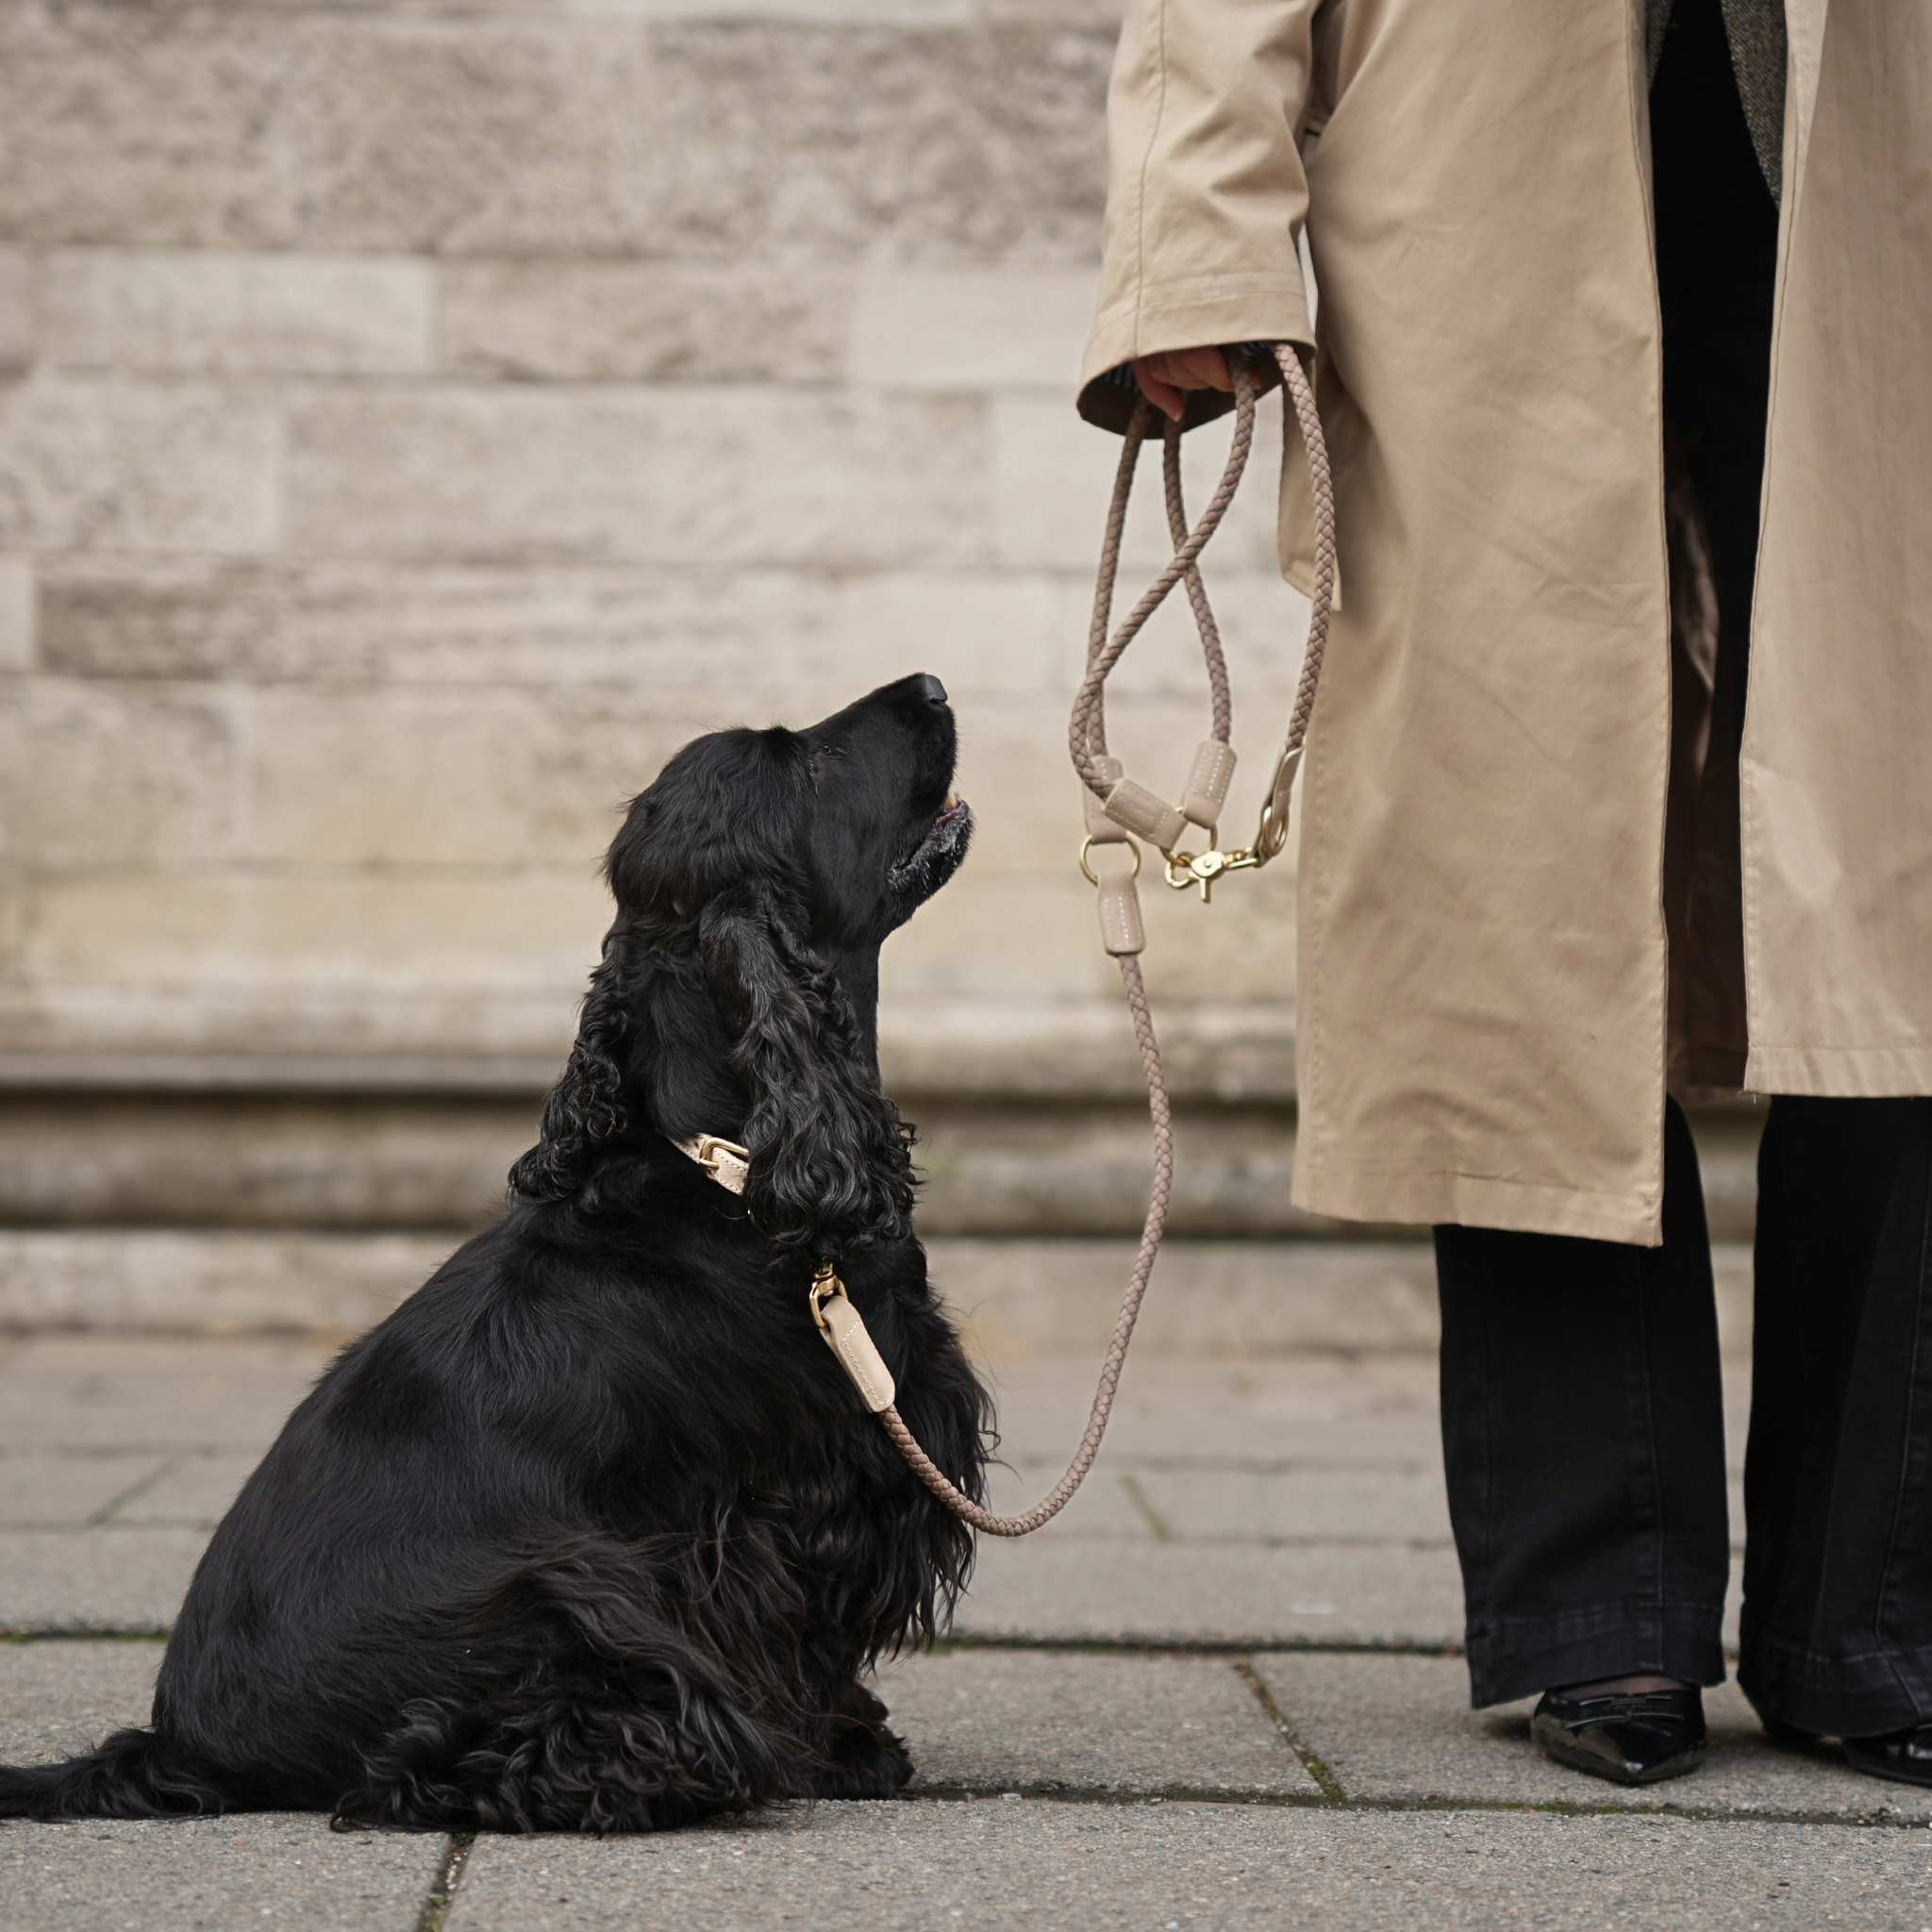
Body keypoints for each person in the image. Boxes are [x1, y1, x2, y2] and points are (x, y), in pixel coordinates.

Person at [1079, 0, 1932, 1787]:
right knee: (1517, 879)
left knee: (1907, 897)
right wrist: (1196, 248)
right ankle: (1599, 1612)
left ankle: (1875, 1616)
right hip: (1480, 189)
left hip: (1878, 176)